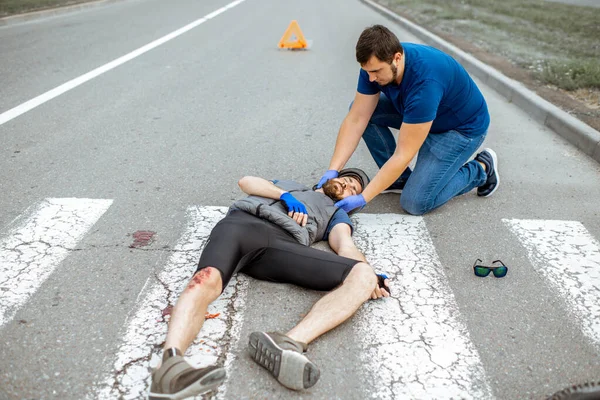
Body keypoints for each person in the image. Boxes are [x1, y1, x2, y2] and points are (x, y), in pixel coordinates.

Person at [149, 168, 390, 399]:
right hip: (240, 225)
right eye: (346, 179)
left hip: (283, 243)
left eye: (353, 189)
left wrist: (372, 275)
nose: (346, 185)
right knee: (205, 279)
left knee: (364, 275)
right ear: (330, 178)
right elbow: (246, 182)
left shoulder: (337, 214)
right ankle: (170, 368)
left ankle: (287, 344)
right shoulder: (289, 186)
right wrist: (283, 194)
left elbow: (345, 244)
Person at [317, 24, 499, 216]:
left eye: (376, 71)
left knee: (416, 202)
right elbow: (357, 119)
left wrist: (364, 198)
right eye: (367, 71)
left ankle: (482, 169)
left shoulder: (425, 84)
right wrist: (332, 171)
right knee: (362, 109)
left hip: (459, 129)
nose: (370, 78)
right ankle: (399, 179)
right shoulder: (375, 65)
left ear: (397, 58)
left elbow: (403, 154)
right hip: (421, 115)